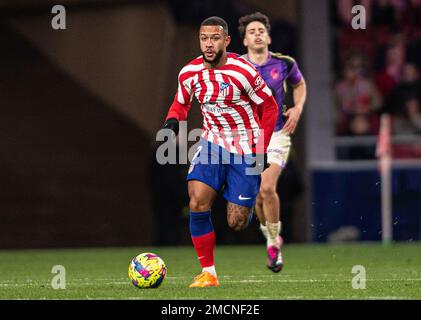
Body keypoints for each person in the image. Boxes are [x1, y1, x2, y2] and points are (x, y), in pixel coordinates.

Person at [162, 16, 279, 287]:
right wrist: (171, 123)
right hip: (212, 144)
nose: (209, 44)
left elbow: (269, 108)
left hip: (246, 149)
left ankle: (247, 204)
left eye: (215, 38)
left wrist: (261, 148)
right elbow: (180, 104)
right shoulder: (189, 73)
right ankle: (208, 273)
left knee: (236, 221)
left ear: (226, 41)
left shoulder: (244, 71)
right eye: (204, 38)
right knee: (197, 202)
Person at [238, 12, 307, 272]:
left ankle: (274, 245)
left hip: (277, 134)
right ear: (244, 41)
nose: (257, 34)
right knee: (256, 197)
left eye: (260, 30)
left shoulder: (284, 64)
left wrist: (297, 108)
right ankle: (271, 236)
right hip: (249, 139)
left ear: (267, 36)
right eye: (251, 31)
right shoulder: (235, 68)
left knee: (267, 188)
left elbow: (299, 85)